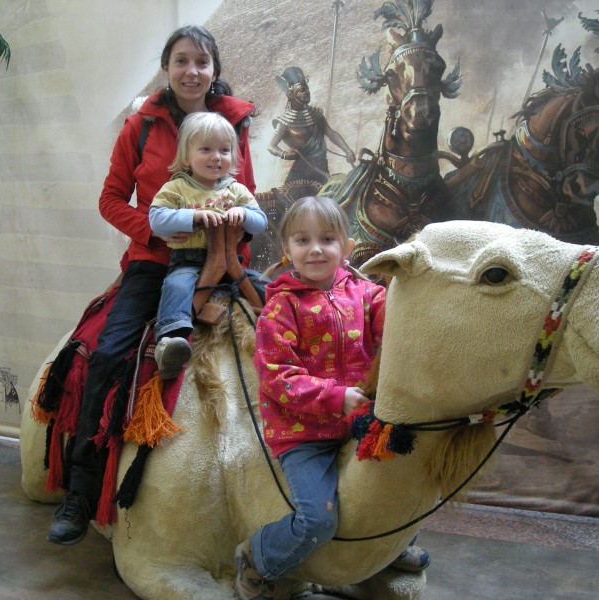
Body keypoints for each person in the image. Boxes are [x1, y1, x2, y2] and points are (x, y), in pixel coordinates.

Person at [48, 24, 257, 546]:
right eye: (181, 60)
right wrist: (156, 230)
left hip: (223, 261)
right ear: (167, 67)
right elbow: (111, 198)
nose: (191, 71)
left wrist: (235, 247)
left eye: (201, 62)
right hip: (153, 263)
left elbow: (247, 195)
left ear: (214, 69)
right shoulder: (139, 126)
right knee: (108, 353)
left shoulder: (235, 123)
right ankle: (81, 490)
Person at [234, 196, 429, 599]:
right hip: (303, 432)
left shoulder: (367, 294)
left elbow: (396, 327)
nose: (316, 249)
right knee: (317, 521)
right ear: (287, 250)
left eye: (326, 239)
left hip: (358, 421)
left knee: (400, 482)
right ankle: (258, 557)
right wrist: (334, 397)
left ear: (347, 246)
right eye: (302, 240)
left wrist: (413, 293)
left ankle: (393, 546)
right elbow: (277, 377)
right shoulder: (280, 308)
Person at [149, 112, 267, 379]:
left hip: (233, 263)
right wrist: (192, 216)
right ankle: (170, 340)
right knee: (177, 286)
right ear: (186, 156)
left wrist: (243, 213)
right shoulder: (177, 187)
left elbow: (260, 222)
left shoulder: (236, 190)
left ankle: (286, 325)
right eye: (206, 150)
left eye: (224, 150)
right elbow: (157, 219)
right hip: (188, 261)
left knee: (265, 284)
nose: (216, 157)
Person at [267, 66, 356, 186]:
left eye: (307, 89)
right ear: (291, 94)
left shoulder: (316, 114)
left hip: (322, 169)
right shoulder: (284, 122)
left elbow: (331, 133)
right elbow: (271, 146)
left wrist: (348, 151)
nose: (307, 92)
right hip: (300, 175)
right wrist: (284, 154)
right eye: (302, 90)